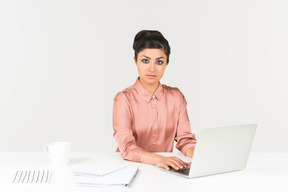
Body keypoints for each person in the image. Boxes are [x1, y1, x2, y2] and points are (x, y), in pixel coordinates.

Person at [113, 30, 196, 171]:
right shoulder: (123, 99)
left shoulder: (176, 97)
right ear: (135, 61)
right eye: (145, 61)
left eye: (159, 62)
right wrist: (159, 159)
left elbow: (185, 140)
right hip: (131, 168)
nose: (152, 69)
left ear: (166, 63)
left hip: (166, 170)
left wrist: (201, 156)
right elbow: (126, 147)